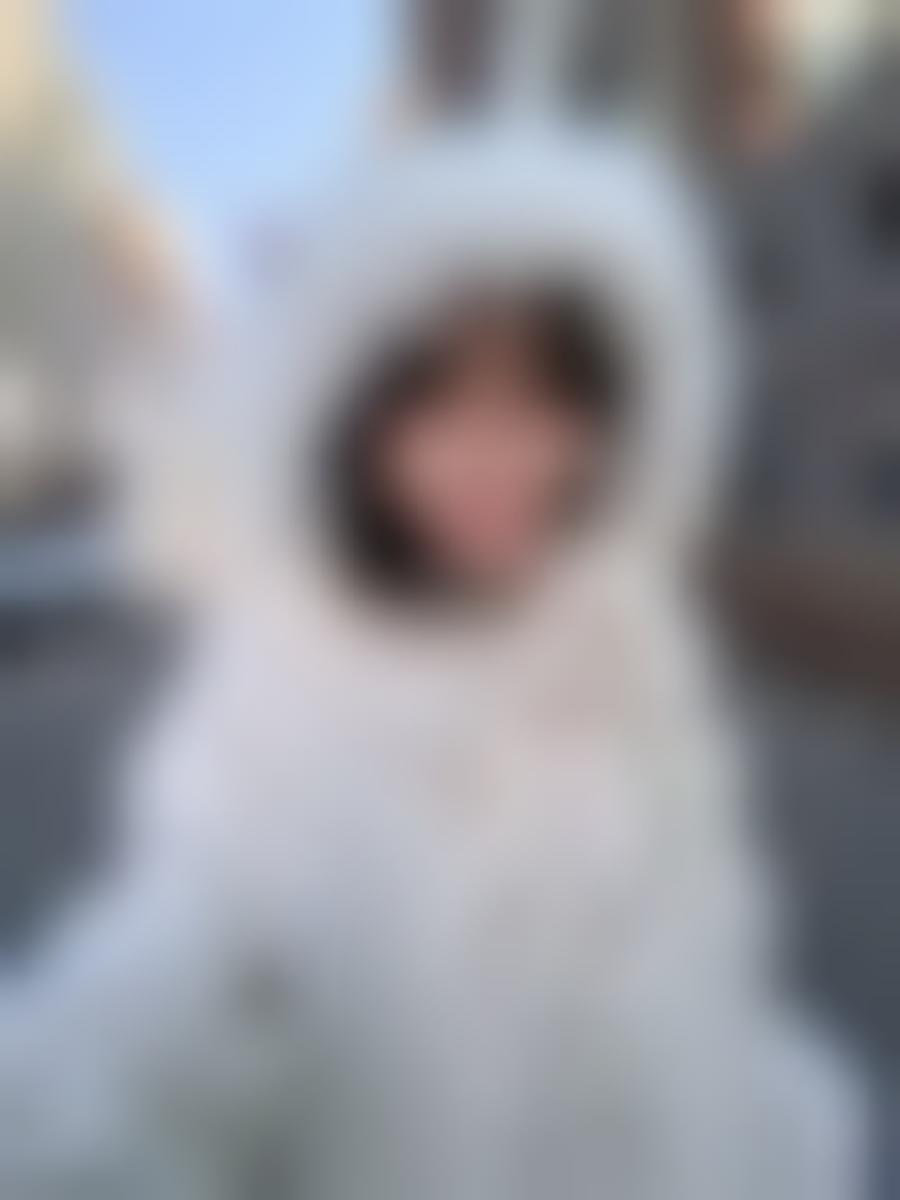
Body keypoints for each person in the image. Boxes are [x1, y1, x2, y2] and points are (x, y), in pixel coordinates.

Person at [0, 129, 864, 1200]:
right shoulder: (280, 697)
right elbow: (187, 964)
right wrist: (68, 1104)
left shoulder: (632, 645)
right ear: (362, 432)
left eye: (547, 394)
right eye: (438, 397)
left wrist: (762, 1126)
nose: (498, 448)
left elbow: (700, 966)